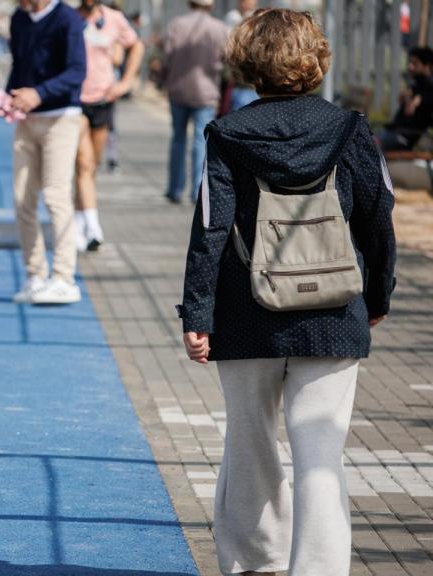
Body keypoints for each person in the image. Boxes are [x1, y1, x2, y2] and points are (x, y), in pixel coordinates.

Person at [179, 9, 396, 576]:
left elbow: (210, 229)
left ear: (250, 65)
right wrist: (377, 297)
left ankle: (256, 564)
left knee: (250, 447)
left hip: (247, 311)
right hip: (333, 309)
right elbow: (378, 219)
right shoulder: (351, 129)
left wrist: (197, 313)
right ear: (316, 59)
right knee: (320, 456)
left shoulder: (227, 134)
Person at [6, 0, 87, 304]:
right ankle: (35, 275)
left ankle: (64, 278)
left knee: (55, 195)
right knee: (21, 197)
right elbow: (19, 64)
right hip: (25, 120)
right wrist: (8, 96)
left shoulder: (67, 19)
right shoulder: (19, 18)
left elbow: (77, 71)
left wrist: (38, 93)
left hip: (61, 118)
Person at [74, 0, 144, 251]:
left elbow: (136, 46)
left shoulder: (113, 19)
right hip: (75, 100)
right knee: (83, 162)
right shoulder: (70, 17)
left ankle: (80, 218)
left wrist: (125, 83)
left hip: (103, 99)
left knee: (91, 167)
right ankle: (91, 227)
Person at [161, 0, 227, 204]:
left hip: (178, 89)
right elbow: (228, 59)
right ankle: (198, 190)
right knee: (201, 141)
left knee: (178, 139)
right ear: (211, 5)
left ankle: (174, 189)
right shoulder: (220, 28)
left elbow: (166, 57)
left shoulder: (176, 25)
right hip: (206, 92)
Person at [377, 47, 433, 152]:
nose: (410, 67)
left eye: (415, 64)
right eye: (410, 62)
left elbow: (409, 111)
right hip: (395, 131)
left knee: (371, 144)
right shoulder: (416, 84)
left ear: (427, 66)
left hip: (404, 137)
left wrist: (410, 98)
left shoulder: (428, 88)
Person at [223, 0, 260, 111]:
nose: (250, 5)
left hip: (252, 79)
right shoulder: (233, 17)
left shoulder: (256, 17)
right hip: (238, 77)